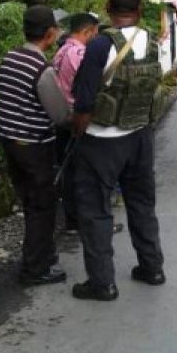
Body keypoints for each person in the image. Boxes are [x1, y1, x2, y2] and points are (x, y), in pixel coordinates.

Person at [71, 0, 167, 301]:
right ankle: (152, 268)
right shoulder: (151, 41)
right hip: (140, 135)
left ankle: (102, 283)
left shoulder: (100, 45)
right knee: (141, 203)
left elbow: (84, 100)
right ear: (139, 10)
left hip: (102, 140)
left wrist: (78, 134)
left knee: (96, 209)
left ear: (108, 8)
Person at [0, 6, 73, 286]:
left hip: (10, 141)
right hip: (34, 146)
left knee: (29, 202)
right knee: (43, 206)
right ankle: (35, 269)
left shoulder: (9, 58)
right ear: (50, 34)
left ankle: (40, 254)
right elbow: (60, 115)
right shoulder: (42, 70)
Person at [50, 12, 99, 234]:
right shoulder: (79, 54)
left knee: (69, 169)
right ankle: (82, 221)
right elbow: (87, 88)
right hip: (77, 117)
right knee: (83, 171)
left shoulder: (61, 51)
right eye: (95, 33)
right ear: (87, 31)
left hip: (62, 117)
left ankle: (73, 219)